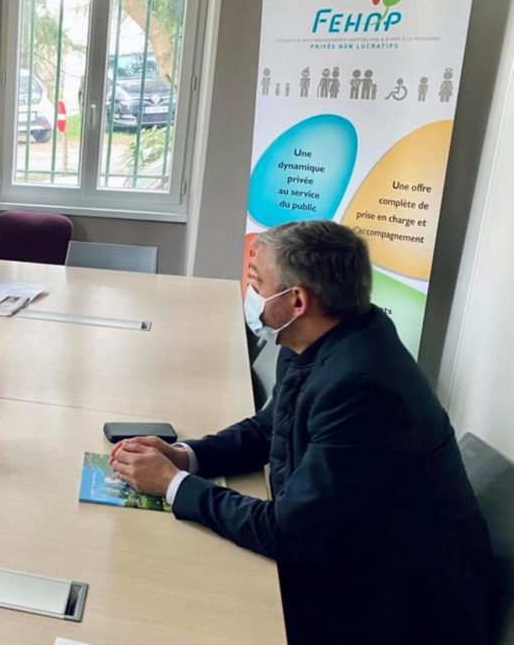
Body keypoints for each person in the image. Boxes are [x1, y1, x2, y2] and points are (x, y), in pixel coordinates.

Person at [110, 221, 491, 644]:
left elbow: (288, 533)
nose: (249, 293)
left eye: (257, 283)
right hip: (352, 559)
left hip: (397, 608)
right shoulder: (323, 338)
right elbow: (268, 428)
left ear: (296, 301)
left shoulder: (363, 386)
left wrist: (173, 485)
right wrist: (186, 456)